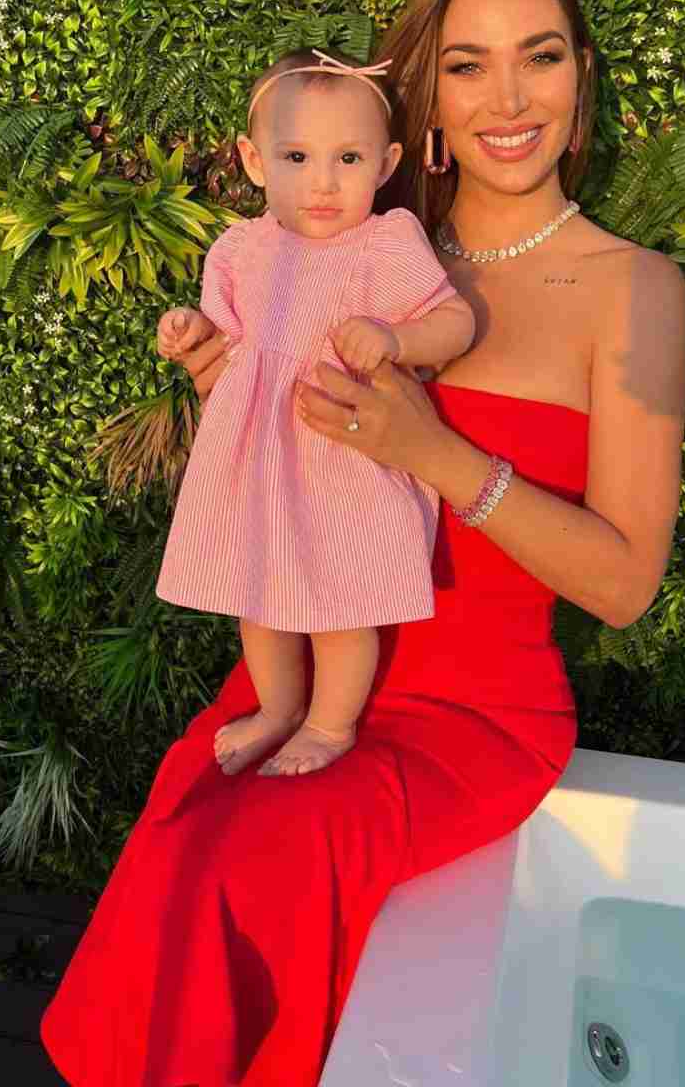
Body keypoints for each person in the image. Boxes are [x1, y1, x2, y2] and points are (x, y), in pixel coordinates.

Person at [40, 0, 685, 1087]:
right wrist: (236, 397)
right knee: (189, 827)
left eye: (539, 57)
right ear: (425, 104)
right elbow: (291, 468)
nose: (508, 99)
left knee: (257, 863)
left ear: (581, 76)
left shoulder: (631, 288)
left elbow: (627, 585)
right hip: (312, 665)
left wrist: (435, 456)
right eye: (468, 65)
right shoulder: (355, 250)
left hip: (474, 714)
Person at [154, 47, 476, 779]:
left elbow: (455, 321)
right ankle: (277, 707)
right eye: (297, 157)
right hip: (258, 461)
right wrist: (190, 332)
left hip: (346, 460)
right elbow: (224, 344)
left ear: (386, 164)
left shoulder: (385, 243)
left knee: (341, 602)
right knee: (258, 598)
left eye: (348, 159)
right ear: (255, 160)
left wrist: (397, 338)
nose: (323, 182)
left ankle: (331, 724)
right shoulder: (241, 249)